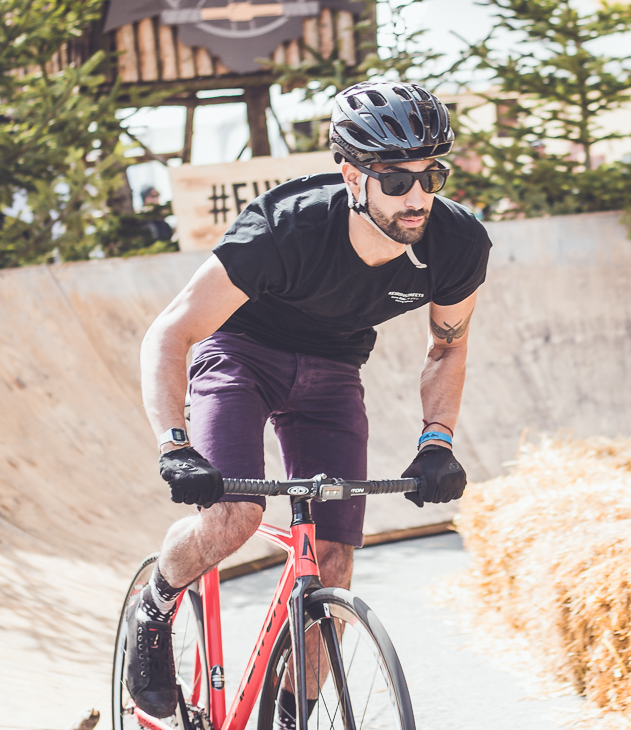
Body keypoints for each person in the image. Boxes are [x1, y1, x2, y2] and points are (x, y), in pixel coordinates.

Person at [123, 81, 490, 726]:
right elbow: (171, 331)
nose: (417, 195)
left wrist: (438, 440)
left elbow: (447, 346)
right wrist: (174, 445)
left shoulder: (455, 243)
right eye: (395, 179)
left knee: (335, 561)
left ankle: (290, 713)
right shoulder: (283, 229)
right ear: (353, 175)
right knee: (235, 515)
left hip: (333, 369)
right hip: (242, 354)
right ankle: (154, 608)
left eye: (430, 175)